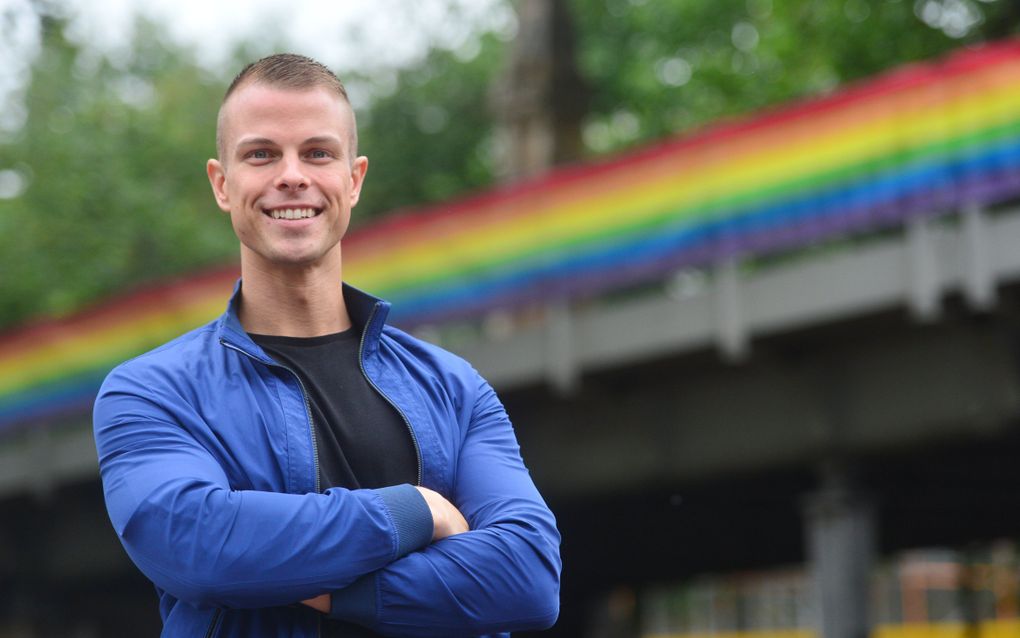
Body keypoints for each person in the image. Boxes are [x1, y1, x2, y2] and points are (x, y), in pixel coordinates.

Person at [93, 53, 561, 637]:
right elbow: (199, 545)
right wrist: (416, 511)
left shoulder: (454, 386)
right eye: (261, 153)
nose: (292, 175)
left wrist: (324, 588)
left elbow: (529, 578)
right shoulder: (151, 393)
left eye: (317, 153)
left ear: (354, 179)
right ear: (222, 182)